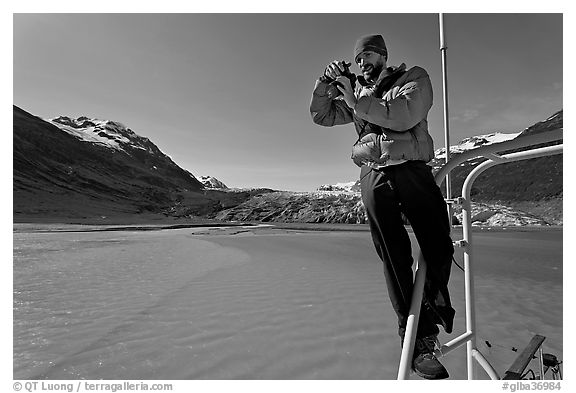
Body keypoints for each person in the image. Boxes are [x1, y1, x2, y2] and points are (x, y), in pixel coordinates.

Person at [309, 34, 455, 380]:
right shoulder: (355, 92)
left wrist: (356, 100)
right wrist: (325, 83)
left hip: (412, 168)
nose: (362, 63)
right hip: (374, 173)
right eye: (358, 59)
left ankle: (431, 311)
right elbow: (321, 116)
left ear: (384, 57)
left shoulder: (414, 79)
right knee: (393, 255)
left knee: (437, 243)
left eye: (369, 56)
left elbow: (403, 117)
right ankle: (418, 339)